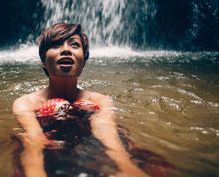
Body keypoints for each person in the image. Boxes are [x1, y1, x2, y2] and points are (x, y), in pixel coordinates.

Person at [12, 23, 147, 177]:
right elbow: (33, 140)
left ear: (83, 61)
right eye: (56, 45)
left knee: (126, 141)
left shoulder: (100, 100)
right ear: (43, 61)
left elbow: (106, 133)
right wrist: (34, 171)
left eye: (74, 45)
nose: (66, 50)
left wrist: (126, 166)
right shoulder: (26, 103)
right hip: (47, 149)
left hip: (90, 147)